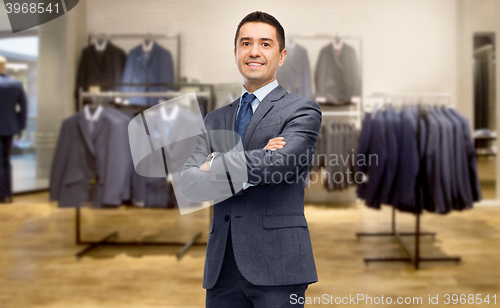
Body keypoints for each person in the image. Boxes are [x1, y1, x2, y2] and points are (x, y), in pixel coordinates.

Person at [180, 11, 321, 308]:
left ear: (281, 56)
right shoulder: (214, 118)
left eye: (265, 44)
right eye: (246, 43)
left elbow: (282, 165)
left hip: (278, 264)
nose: (254, 51)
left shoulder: (302, 111)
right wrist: (258, 158)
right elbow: (189, 184)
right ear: (235, 53)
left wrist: (213, 163)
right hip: (222, 267)